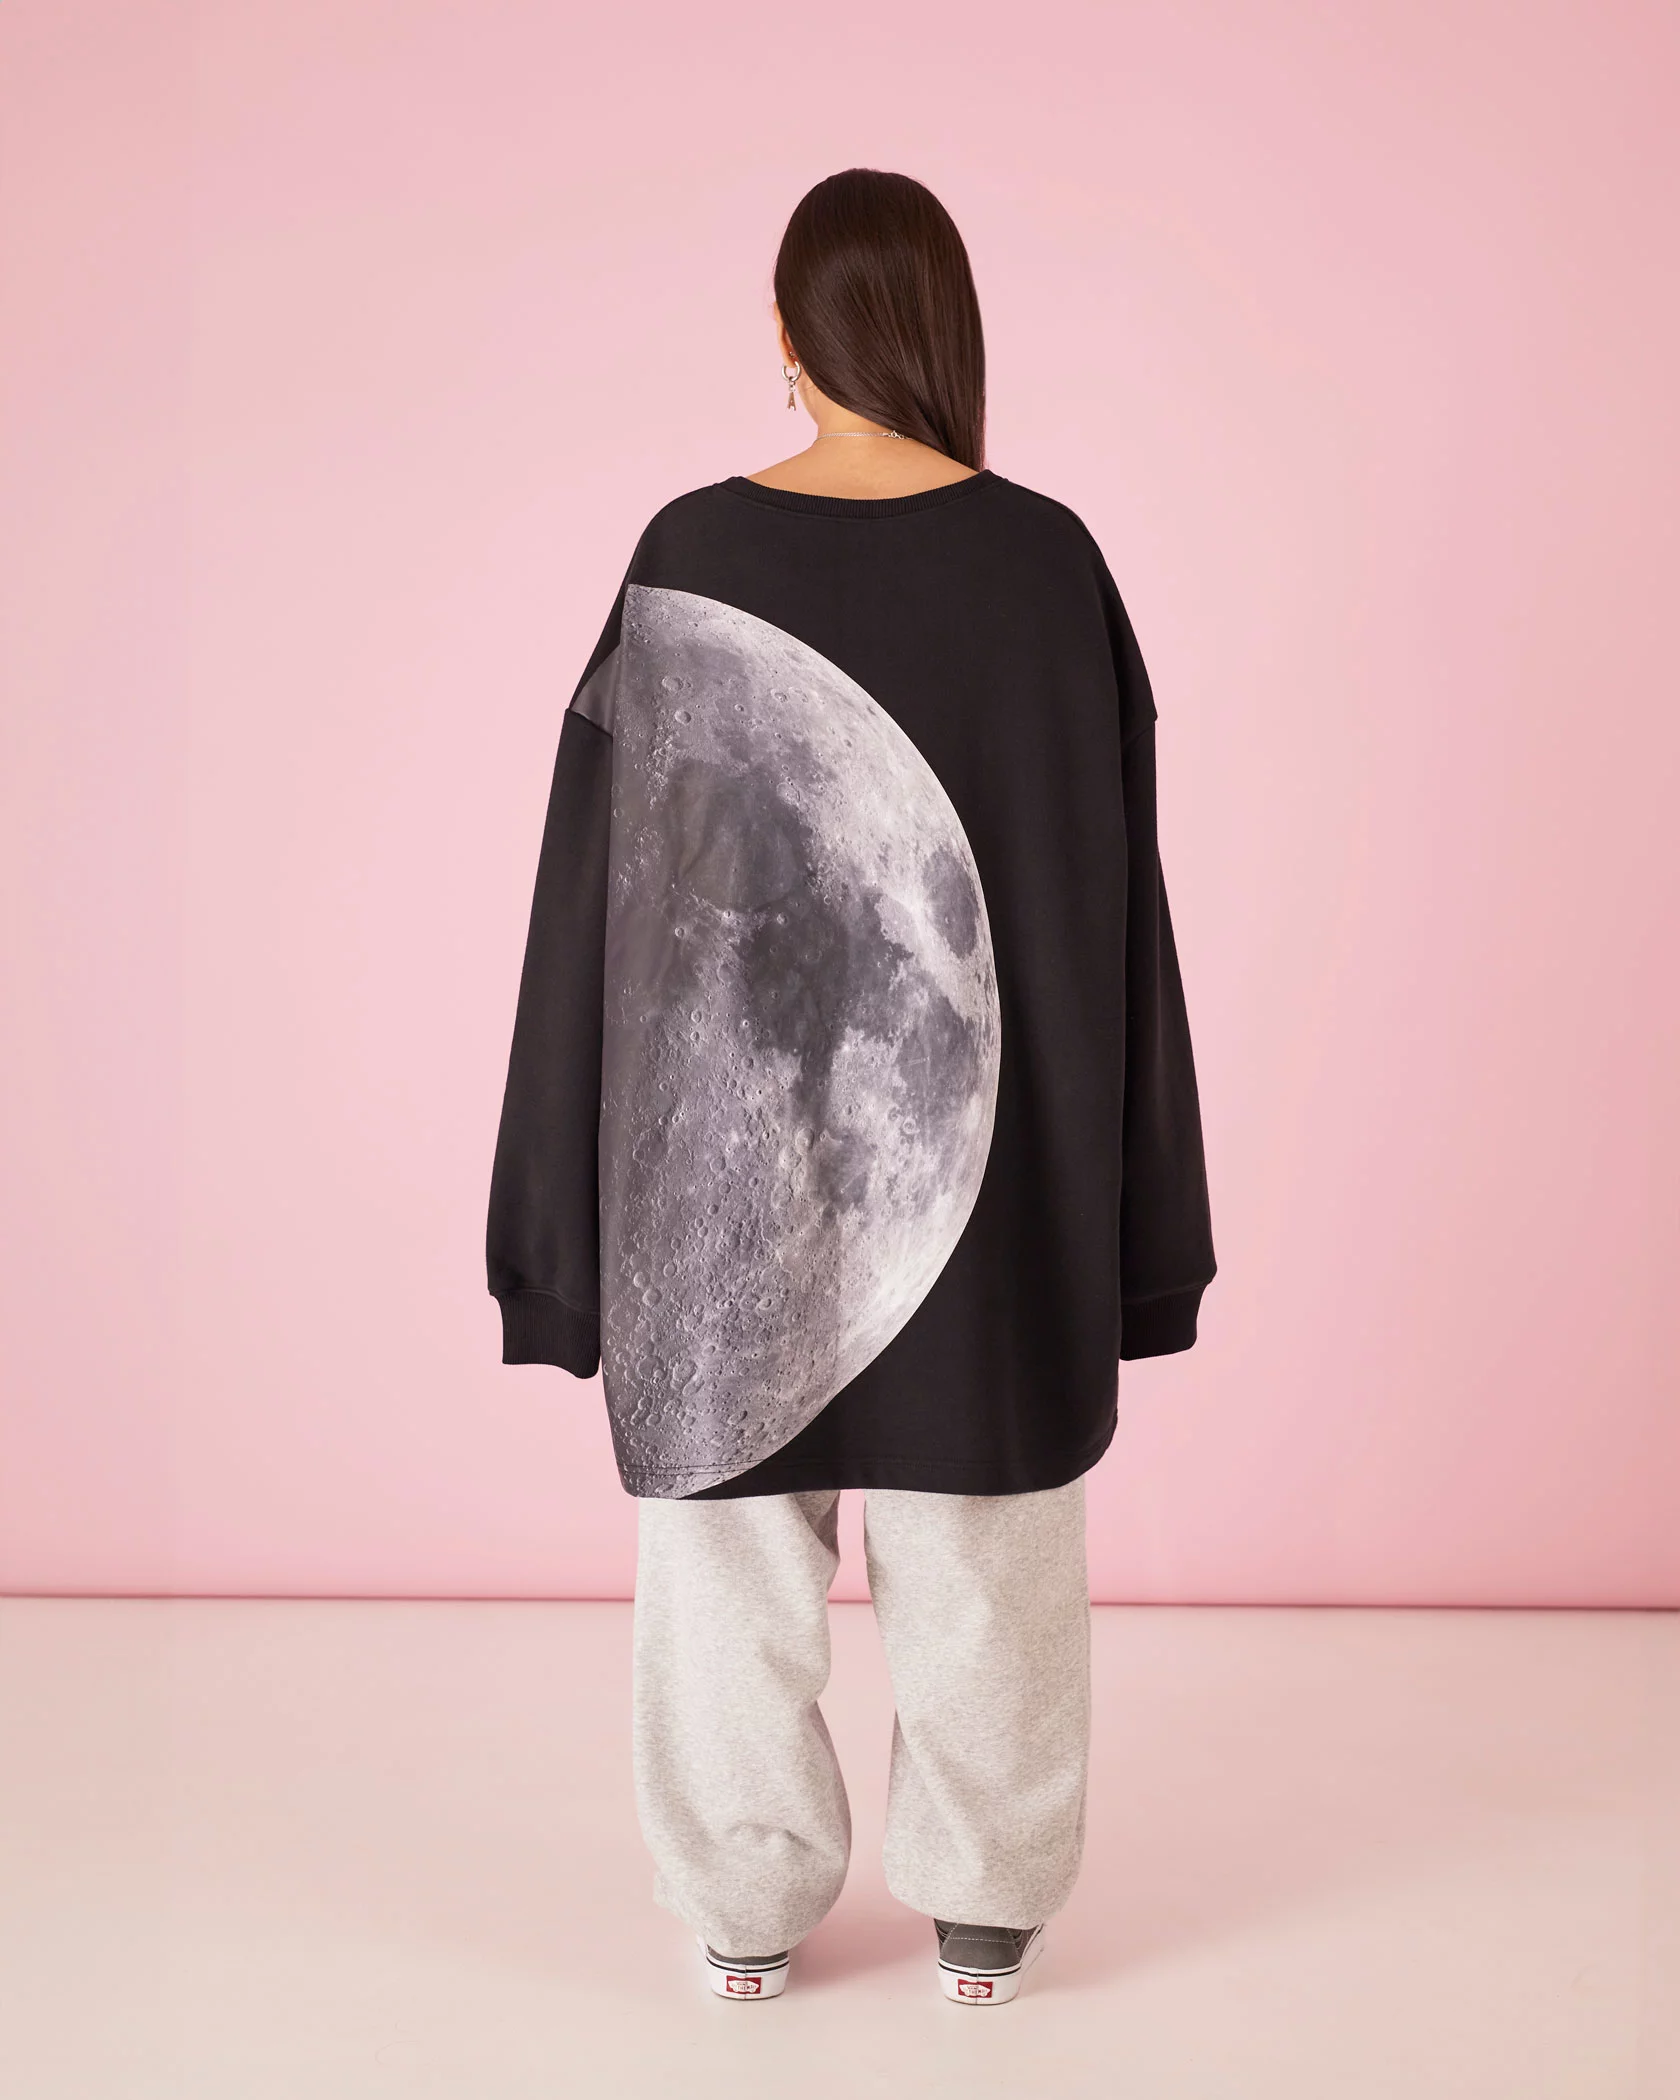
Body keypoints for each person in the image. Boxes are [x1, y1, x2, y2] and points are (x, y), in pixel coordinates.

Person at [485, 167, 1216, 2006]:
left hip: (717, 1181)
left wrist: (560, 1240)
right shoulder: (1048, 564)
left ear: (788, 335)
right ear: (946, 331)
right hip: (996, 1164)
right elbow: (1121, 914)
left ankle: (743, 1915)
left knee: (727, 1568)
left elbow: (589, 915)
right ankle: (988, 1914)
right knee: (989, 1548)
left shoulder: (690, 555)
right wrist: (1136, 1231)